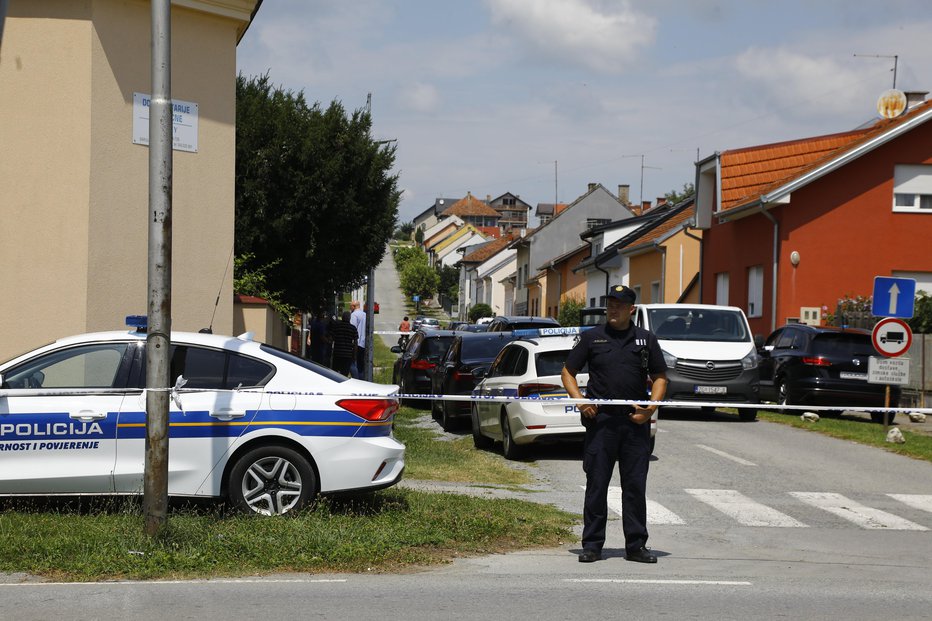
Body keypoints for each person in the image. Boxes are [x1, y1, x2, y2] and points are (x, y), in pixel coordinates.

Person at [561, 284, 668, 564]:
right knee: (597, 485)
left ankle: (636, 546)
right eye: (610, 303)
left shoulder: (645, 339)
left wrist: (650, 409)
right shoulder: (592, 338)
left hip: (635, 423)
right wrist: (581, 401)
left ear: (631, 309)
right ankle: (592, 545)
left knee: (634, 487)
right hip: (602, 423)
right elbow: (568, 372)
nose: (613, 308)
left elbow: (660, 377)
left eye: (619, 304)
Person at [329, 311, 358, 378]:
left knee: (335, 373)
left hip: (337, 354)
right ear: (349, 318)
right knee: (344, 374)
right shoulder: (353, 328)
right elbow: (355, 343)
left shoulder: (337, 327)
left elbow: (331, 339)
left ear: (342, 318)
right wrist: (354, 355)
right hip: (347, 355)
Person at [350, 300, 367, 379]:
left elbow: (352, 328)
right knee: (362, 364)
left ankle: (357, 380)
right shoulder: (365, 314)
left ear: (353, 306)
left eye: (351, 306)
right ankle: (363, 379)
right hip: (365, 342)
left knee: (354, 363)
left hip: (357, 342)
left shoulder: (354, 315)